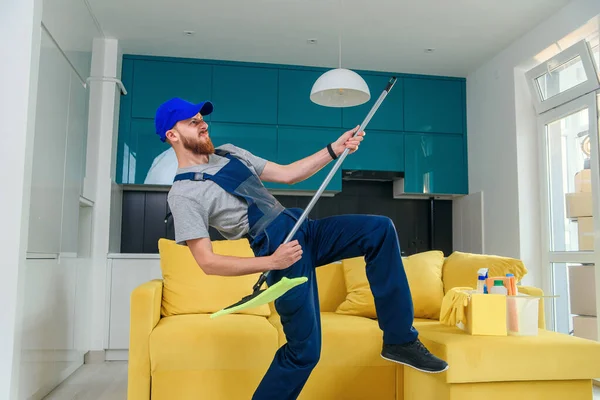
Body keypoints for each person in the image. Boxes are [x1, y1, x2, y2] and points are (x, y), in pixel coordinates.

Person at [155, 97, 449, 400]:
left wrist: (334, 149)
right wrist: (272, 261)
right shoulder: (184, 194)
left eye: (202, 118)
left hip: (301, 228)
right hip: (278, 251)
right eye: (193, 122)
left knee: (379, 229)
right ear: (172, 135)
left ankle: (399, 340)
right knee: (304, 351)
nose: (203, 124)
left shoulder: (230, 153)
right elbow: (207, 262)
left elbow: (287, 174)